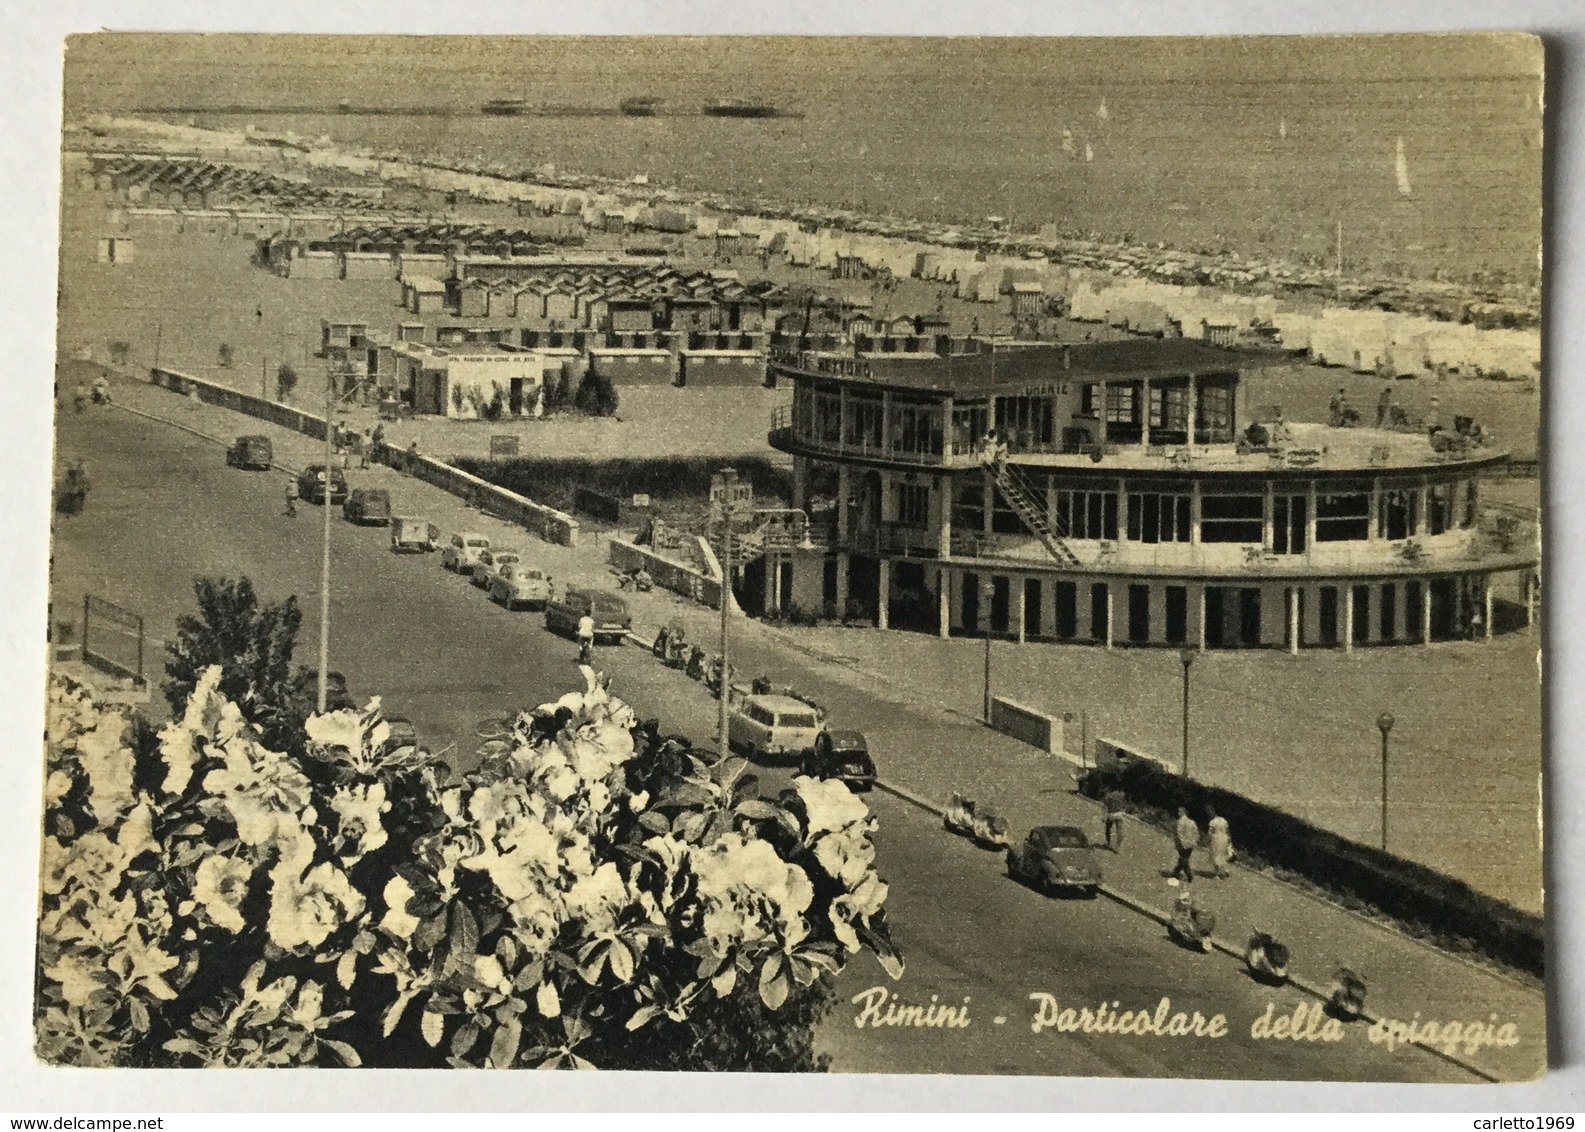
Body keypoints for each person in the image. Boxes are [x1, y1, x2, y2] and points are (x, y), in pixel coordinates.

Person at [1170, 806, 1199, 885]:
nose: (1178, 812)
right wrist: (1194, 842)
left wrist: (1180, 842)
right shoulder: (1192, 822)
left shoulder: (1179, 822)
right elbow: (1196, 833)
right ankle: (1176, 872)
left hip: (1182, 844)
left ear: (1183, 812)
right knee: (1184, 858)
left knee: (1184, 859)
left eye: (1179, 811)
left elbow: (1178, 833)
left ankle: (1188, 875)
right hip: (1190, 844)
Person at [1206, 807, 1233, 878]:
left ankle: (1217, 873)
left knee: (1215, 855)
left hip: (1216, 839)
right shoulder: (1223, 820)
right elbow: (1227, 831)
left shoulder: (1212, 822)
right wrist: (1229, 840)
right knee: (1222, 855)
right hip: (1224, 839)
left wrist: (1208, 840)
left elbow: (1210, 833)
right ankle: (1224, 870)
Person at [1103, 788, 1129, 853]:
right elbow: (1124, 804)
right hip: (1119, 814)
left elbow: (1105, 806)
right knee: (1119, 831)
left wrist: (1103, 816)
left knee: (1108, 829)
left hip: (1111, 814)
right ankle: (1118, 847)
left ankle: (1108, 843)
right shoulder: (1122, 794)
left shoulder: (1109, 795)